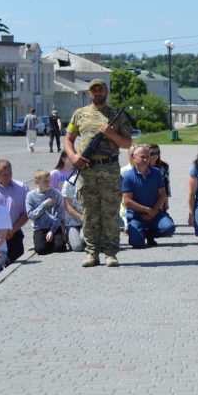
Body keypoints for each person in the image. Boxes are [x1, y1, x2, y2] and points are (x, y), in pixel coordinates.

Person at [66, 78, 133, 267]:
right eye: (94, 91)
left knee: (110, 212)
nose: (98, 93)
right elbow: (68, 139)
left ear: (106, 92)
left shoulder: (116, 115)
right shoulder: (79, 114)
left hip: (109, 169)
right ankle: (92, 253)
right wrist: (73, 157)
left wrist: (112, 134)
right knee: (89, 212)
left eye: (101, 90)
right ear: (89, 93)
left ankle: (111, 253)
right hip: (86, 169)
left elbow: (128, 143)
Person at [122, 145, 173, 249]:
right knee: (137, 244)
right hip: (137, 216)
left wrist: (154, 211)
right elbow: (127, 201)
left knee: (169, 228)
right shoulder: (128, 176)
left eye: (147, 156)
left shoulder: (156, 173)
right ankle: (137, 232)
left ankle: (149, 234)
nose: (145, 159)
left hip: (155, 213)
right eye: (142, 157)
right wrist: (146, 210)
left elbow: (162, 194)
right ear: (133, 157)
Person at [0, 159, 29, 263]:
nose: (8, 176)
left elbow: (26, 213)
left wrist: (13, 230)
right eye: (4, 174)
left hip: (15, 233)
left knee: (16, 263)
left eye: (10, 173)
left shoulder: (22, 188)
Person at [26, 169, 66, 255]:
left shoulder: (56, 194)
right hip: (39, 228)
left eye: (49, 180)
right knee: (41, 250)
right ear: (37, 181)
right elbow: (31, 215)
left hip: (53, 226)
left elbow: (58, 215)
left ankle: (55, 240)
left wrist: (52, 230)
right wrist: (43, 205)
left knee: (60, 247)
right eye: (45, 181)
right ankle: (42, 243)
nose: (48, 183)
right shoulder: (30, 196)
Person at [61, 175, 85, 252]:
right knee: (77, 247)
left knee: (83, 239)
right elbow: (68, 207)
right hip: (72, 221)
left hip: (89, 220)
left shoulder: (94, 180)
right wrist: (82, 218)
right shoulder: (69, 182)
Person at [148, 144, 172, 217]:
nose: (155, 155)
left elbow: (166, 183)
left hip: (160, 196)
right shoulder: (144, 166)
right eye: (152, 153)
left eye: (157, 153)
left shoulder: (164, 166)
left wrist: (166, 201)